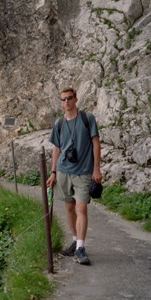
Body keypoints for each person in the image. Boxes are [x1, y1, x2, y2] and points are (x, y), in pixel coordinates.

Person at [46, 87, 102, 265]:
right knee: (69, 208)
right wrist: (53, 172)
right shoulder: (59, 124)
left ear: (76, 99)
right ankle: (75, 240)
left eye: (69, 98)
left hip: (84, 172)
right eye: (63, 99)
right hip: (63, 172)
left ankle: (80, 248)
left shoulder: (87, 119)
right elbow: (56, 149)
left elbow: (96, 144)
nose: (66, 102)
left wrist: (97, 169)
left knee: (81, 208)